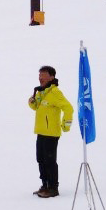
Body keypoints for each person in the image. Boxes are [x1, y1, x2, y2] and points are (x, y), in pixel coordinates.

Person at [29, 65, 73, 198]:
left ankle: (53, 188)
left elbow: (68, 108)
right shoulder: (42, 92)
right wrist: (31, 102)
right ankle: (45, 185)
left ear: (52, 77)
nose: (40, 78)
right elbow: (37, 107)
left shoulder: (55, 92)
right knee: (40, 159)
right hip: (41, 132)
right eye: (39, 75)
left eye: (43, 75)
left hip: (51, 133)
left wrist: (66, 124)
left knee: (49, 160)